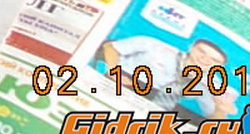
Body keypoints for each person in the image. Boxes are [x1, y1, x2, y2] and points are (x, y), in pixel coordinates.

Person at [99, 35, 238, 119]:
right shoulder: (155, 47)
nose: (205, 59)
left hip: (155, 107)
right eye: (202, 51)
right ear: (191, 47)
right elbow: (110, 47)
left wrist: (220, 109)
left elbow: (213, 120)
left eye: (214, 60)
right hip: (124, 83)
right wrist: (114, 72)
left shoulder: (211, 84)